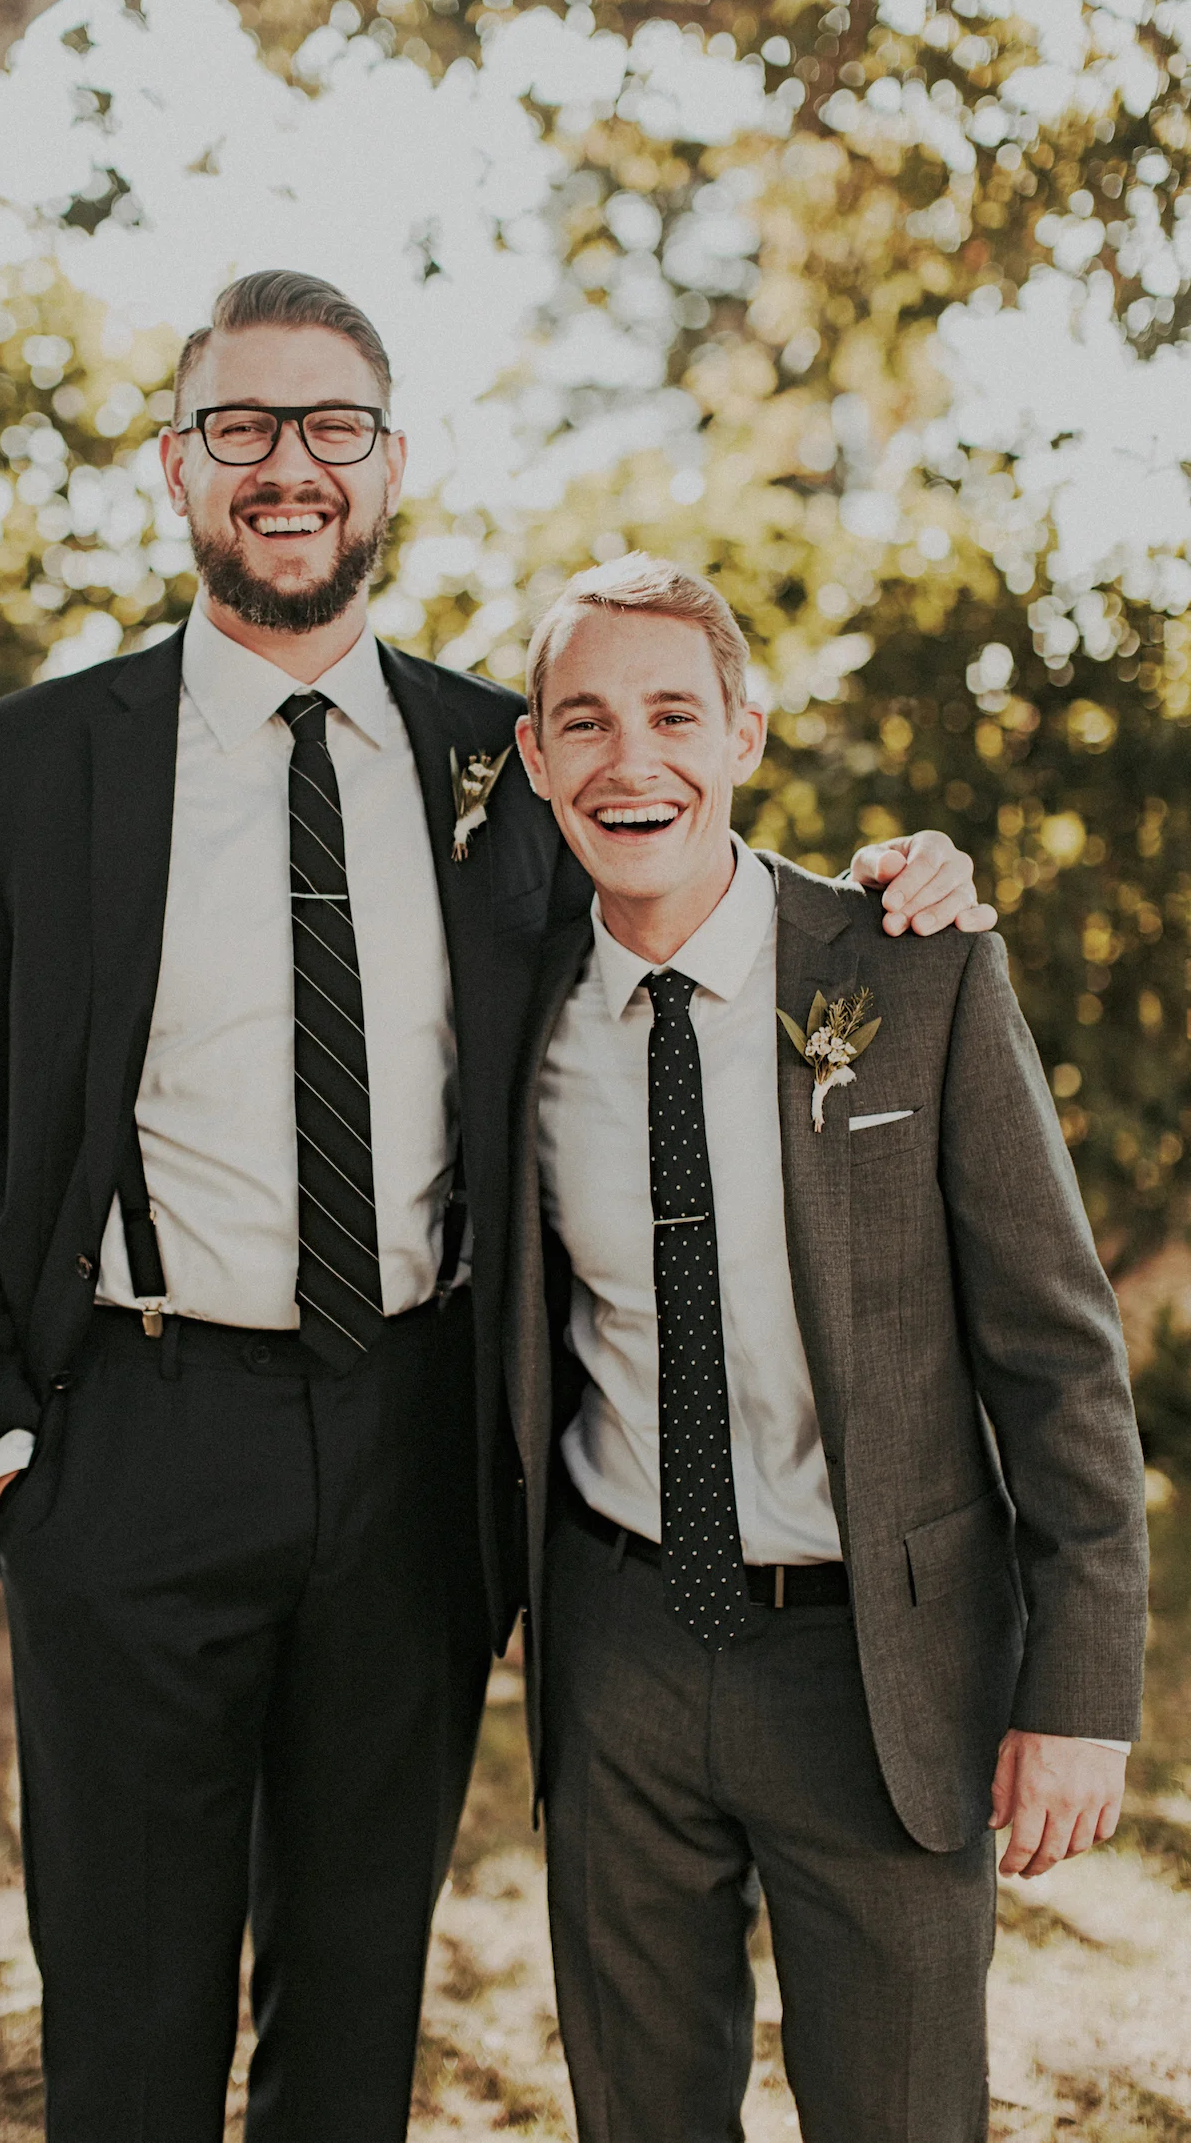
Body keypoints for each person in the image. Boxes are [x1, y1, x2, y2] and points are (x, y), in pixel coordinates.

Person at [0, 273, 991, 2143]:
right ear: (178, 467)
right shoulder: (21, 771)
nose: (288, 466)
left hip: (410, 1457)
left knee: (353, 2022)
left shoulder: (509, 765)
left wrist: (894, 885)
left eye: (332, 429)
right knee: (131, 2032)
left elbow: (688, 864)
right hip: (127, 1445)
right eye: (244, 426)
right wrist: (0, 1449)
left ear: (391, 467)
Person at [503, 553, 1149, 2143]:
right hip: (619, 1643)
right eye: (582, 722)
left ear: (746, 729)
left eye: (672, 712)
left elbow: (1058, 1352)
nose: (628, 759)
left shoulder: (912, 965)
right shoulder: (512, 998)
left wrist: (1081, 1689)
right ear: (535, 761)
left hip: (879, 1665)